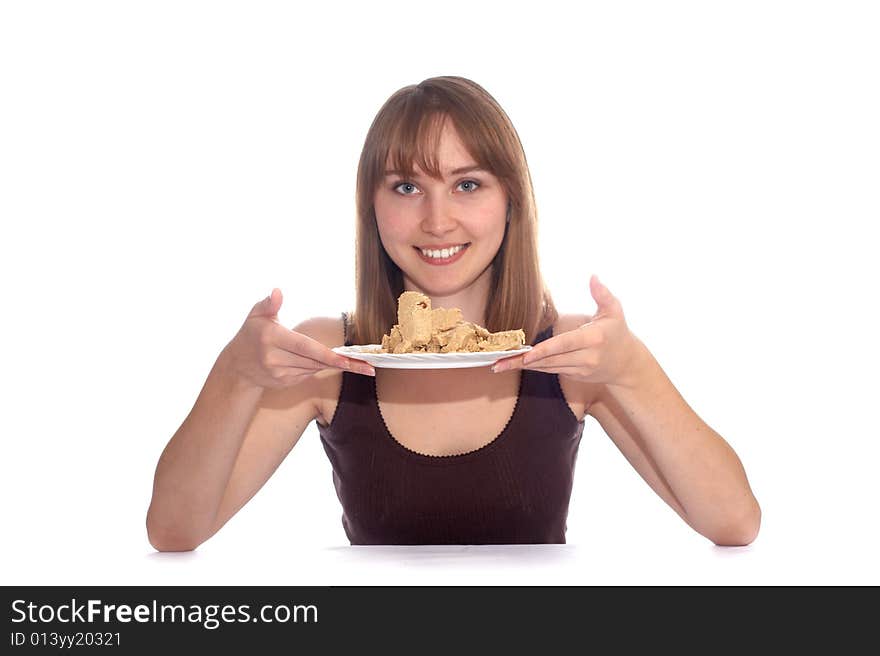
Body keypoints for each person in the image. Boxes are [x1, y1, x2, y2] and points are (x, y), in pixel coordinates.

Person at [146, 76, 761, 550]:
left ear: (510, 199)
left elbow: (734, 524)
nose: (437, 221)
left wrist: (632, 370)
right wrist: (235, 373)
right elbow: (174, 532)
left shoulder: (570, 352)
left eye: (467, 184)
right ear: (373, 206)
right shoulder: (329, 355)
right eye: (407, 187)